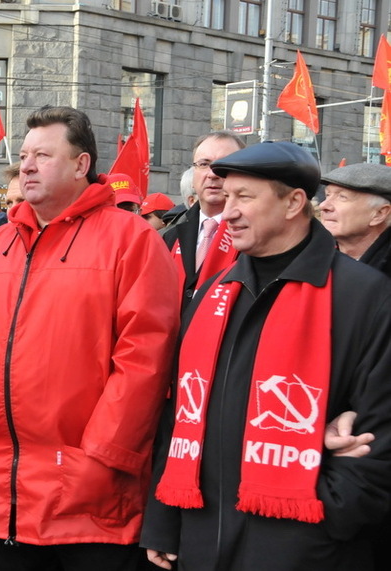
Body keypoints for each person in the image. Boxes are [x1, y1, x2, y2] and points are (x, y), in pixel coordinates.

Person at [0, 106, 180, 570]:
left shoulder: (130, 240)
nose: (28, 164)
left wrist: (98, 460)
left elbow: (144, 360)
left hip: (88, 499)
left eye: (44, 154)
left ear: (81, 165)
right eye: (26, 153)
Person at [141, 141, 391, 571]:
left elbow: (381, 434)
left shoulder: (366, 295)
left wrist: (324, 520)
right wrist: (164, 520)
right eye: (226, 196)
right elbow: (181, 411)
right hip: (201, 539)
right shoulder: (210, 296)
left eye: (245, 197)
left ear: (294, 202)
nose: (227, 211)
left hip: (305, 548)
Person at [164, 132, 245, 310]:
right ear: (193, 176)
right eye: (204, 164)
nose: (212, 174)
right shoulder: (168, 238)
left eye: (224, 165)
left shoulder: (257, 239)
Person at [319, 162, 391, 278]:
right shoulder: (309, 257)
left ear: (379, 214)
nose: (324, 205)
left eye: (342, 197)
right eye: (327, 195)